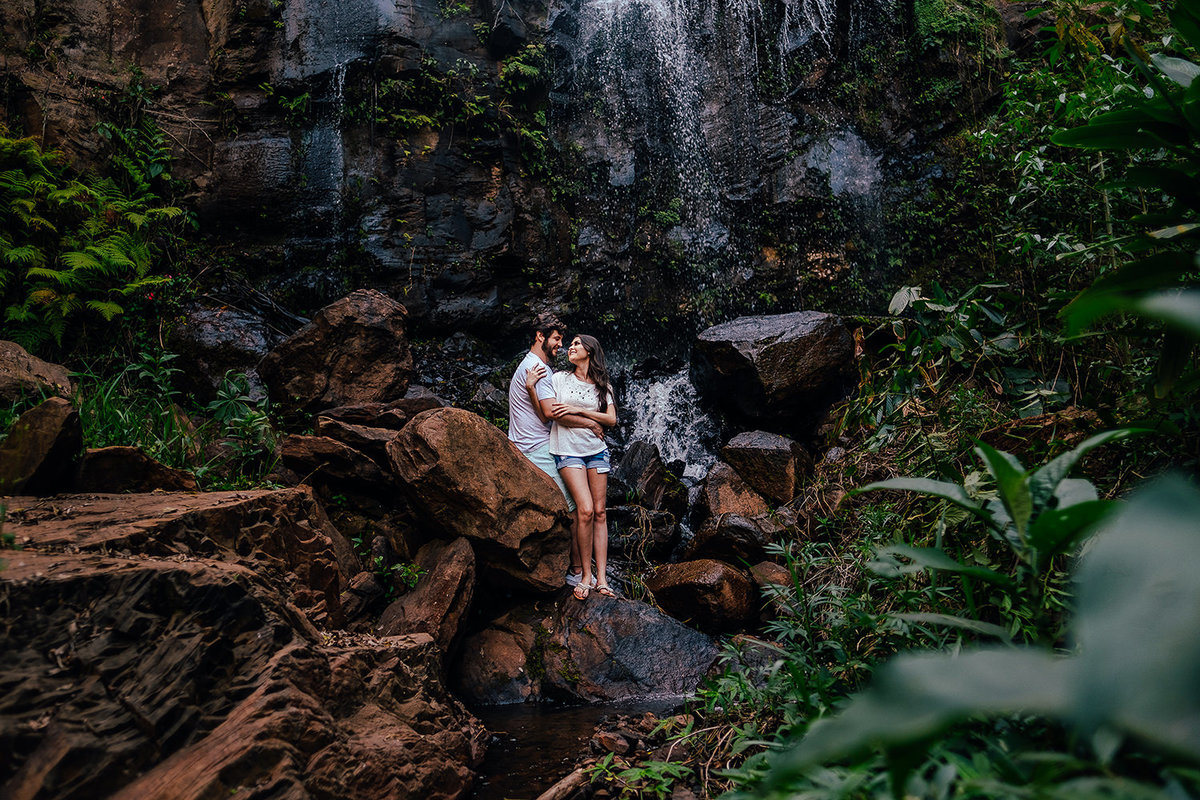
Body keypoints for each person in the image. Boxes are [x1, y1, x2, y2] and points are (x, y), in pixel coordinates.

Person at [507, 313, 603, 588]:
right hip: (536, 448)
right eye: (557, 339)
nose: (560, 345)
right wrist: (590, 422)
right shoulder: (537, 368)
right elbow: (551, 414)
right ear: (541, 337)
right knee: (575, 510)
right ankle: (576, 571)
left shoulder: (532, 366)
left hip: (529, 443)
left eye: (562, 340)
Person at [549, 334, 618, 600]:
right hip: (567, 451)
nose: (571, 347)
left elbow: (611, 419)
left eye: (577, 344)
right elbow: (556, 414)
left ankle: (602, 578)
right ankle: (585, 575)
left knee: (600, 512)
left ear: (589, 351)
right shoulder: (559, 379)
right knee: (585, 510)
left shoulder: (603, 387)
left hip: (597, 452)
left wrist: (584, 413)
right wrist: (589, 418)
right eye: (571, 344)